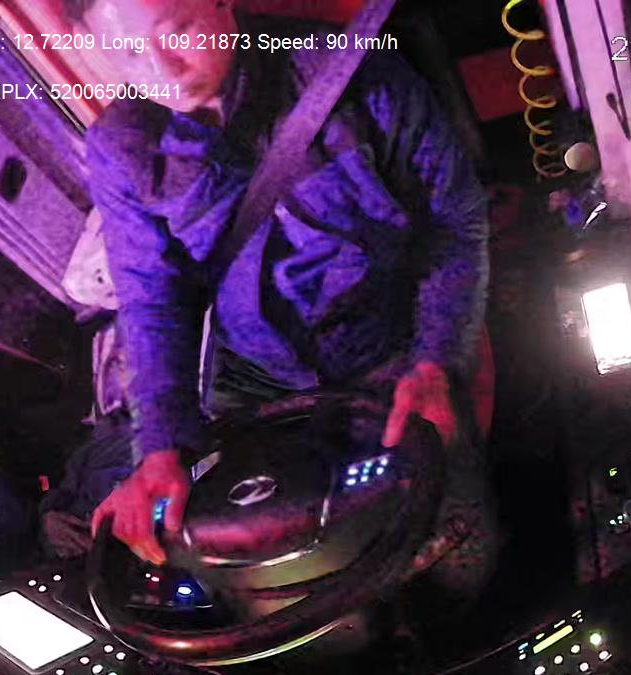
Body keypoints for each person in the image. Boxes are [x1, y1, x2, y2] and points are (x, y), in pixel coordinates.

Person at [69, 0, 495, 598]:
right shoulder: (122, 146)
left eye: (179, 32)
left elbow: (454, 225)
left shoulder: (351, 74)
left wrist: (435, 361)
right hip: (254, 376)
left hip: (388, 348)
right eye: (129, 54)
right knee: (242, 563)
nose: (163, 70)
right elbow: (152, 298)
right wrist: (161, 445)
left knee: (456, 551)